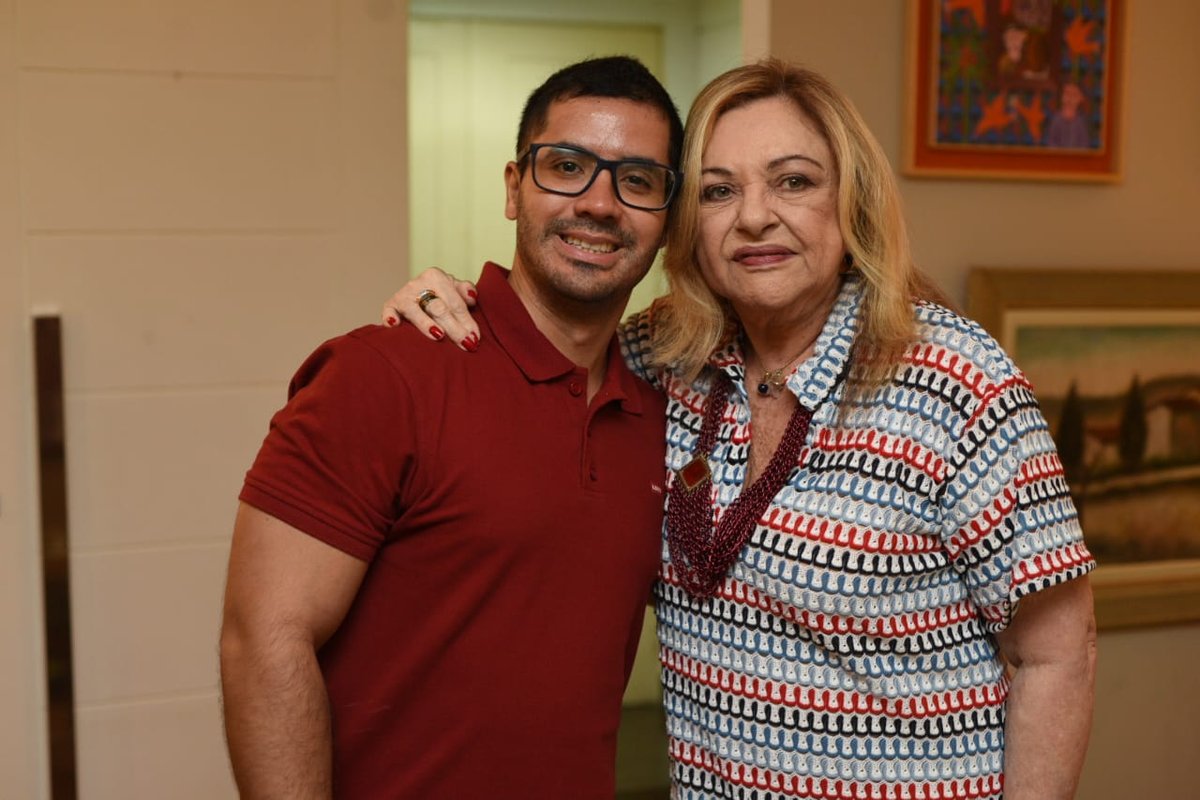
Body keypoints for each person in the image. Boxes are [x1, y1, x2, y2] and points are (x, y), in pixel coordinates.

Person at [385, 59, 1098, 800]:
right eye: (720, 191)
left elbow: (1060, 655)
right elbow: (546, 349)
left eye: (793, 181)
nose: (755, 216)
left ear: (849, 201)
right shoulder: (663, 357)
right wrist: (449, 300)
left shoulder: (956, 376)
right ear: (688, 222)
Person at [218, 55, 684, 799]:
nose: (599, 203)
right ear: (513, 188)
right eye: (567, 166)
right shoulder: (386, 374)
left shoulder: (667, 409)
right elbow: (264, 641)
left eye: (637, 180)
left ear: (669, 216)